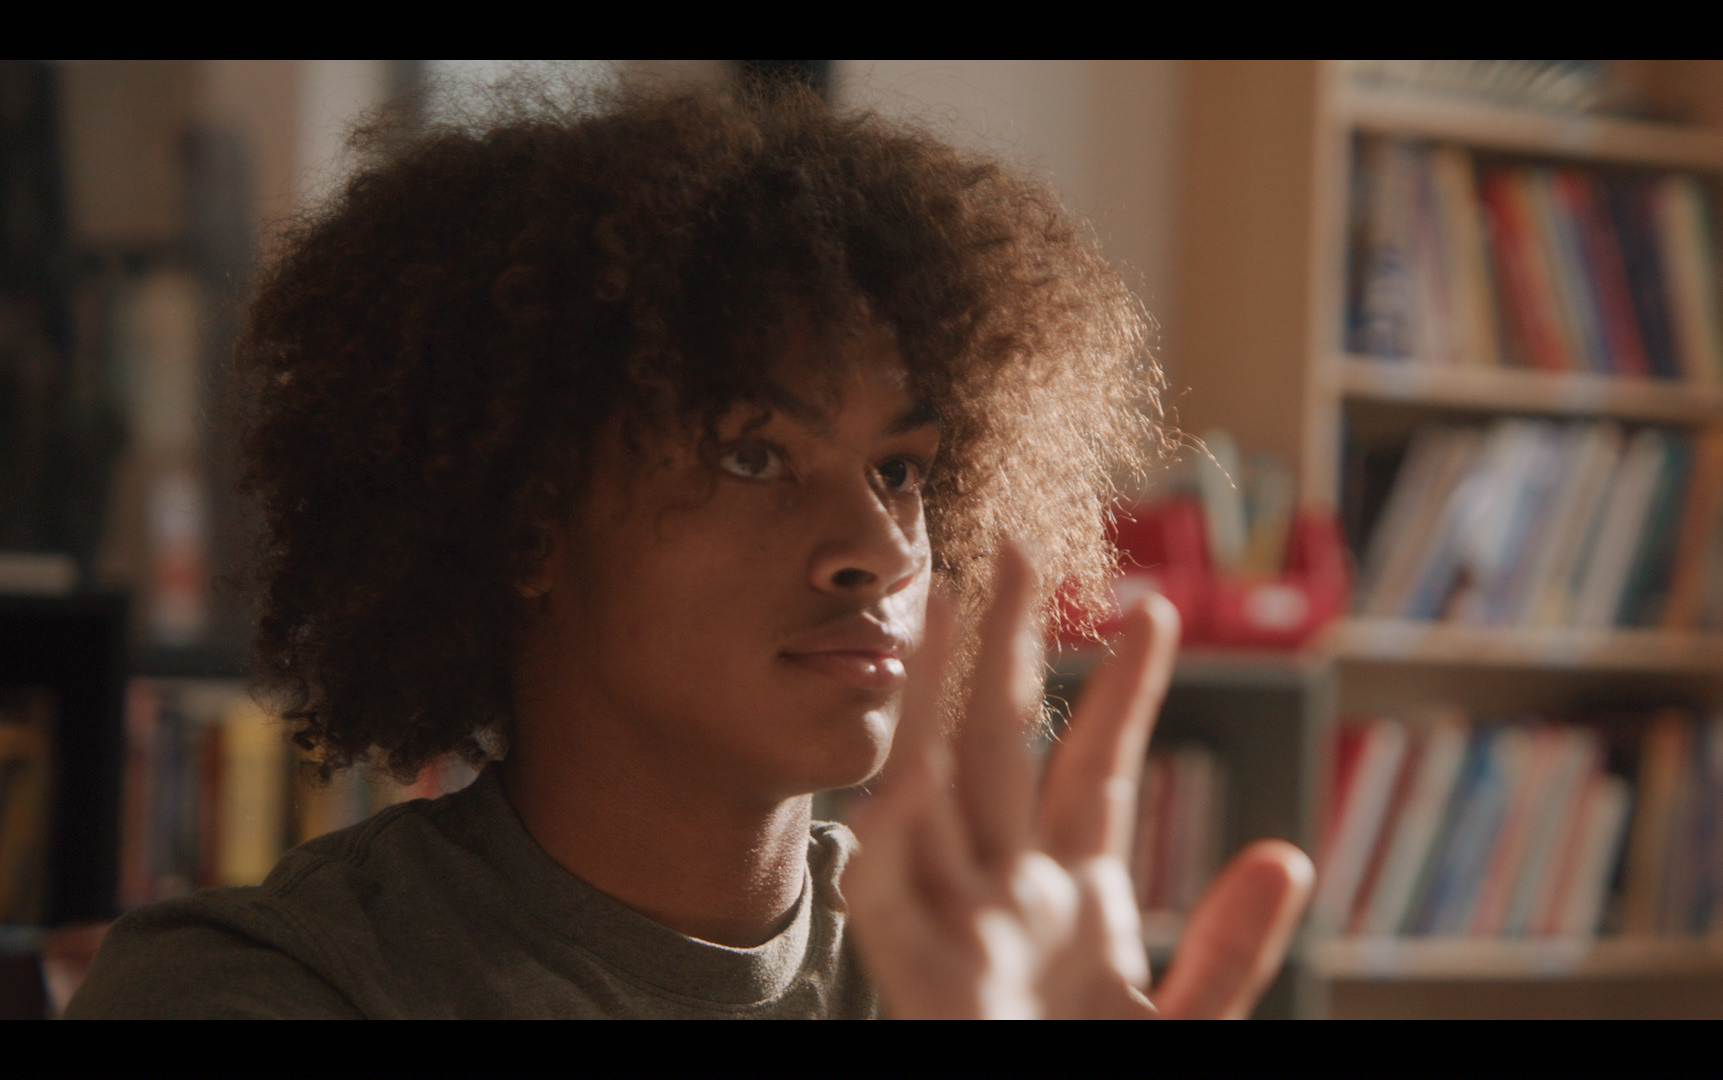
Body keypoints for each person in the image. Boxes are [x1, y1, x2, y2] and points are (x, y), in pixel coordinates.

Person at [67, 78, 1311, 1020]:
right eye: (755, 456)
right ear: (528, 519)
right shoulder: (269, 988)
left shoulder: (980, 979)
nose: (875, 548)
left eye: (901, 471)